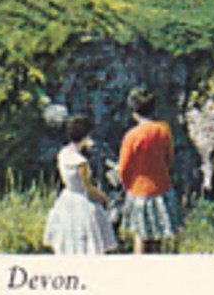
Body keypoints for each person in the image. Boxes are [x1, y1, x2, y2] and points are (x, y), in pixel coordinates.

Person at [43, 114, 119, 254]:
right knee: (88, 242)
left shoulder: (63, 153)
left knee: (68, 241)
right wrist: (103, 198)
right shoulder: (81, 162)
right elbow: (88, 189)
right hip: (82, 201)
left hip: (67, 197)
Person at [117, 86, 179, 254]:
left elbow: (123, 168)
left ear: (134, 112)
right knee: (157, 238)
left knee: (141, 237)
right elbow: (169, 158)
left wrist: (127, 185)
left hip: (139, 191)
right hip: (161, 189)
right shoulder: (164, 130)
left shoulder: (132, 136)